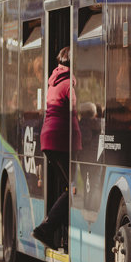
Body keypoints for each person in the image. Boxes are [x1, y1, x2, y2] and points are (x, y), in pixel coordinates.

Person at [32, 47, 81, 248]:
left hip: (49, 140)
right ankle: (46, 229)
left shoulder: (54, 81)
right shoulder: (69, 83)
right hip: (62, 139)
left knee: (67, 187)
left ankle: (60, 235)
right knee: (74, 189)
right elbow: (76, 108)